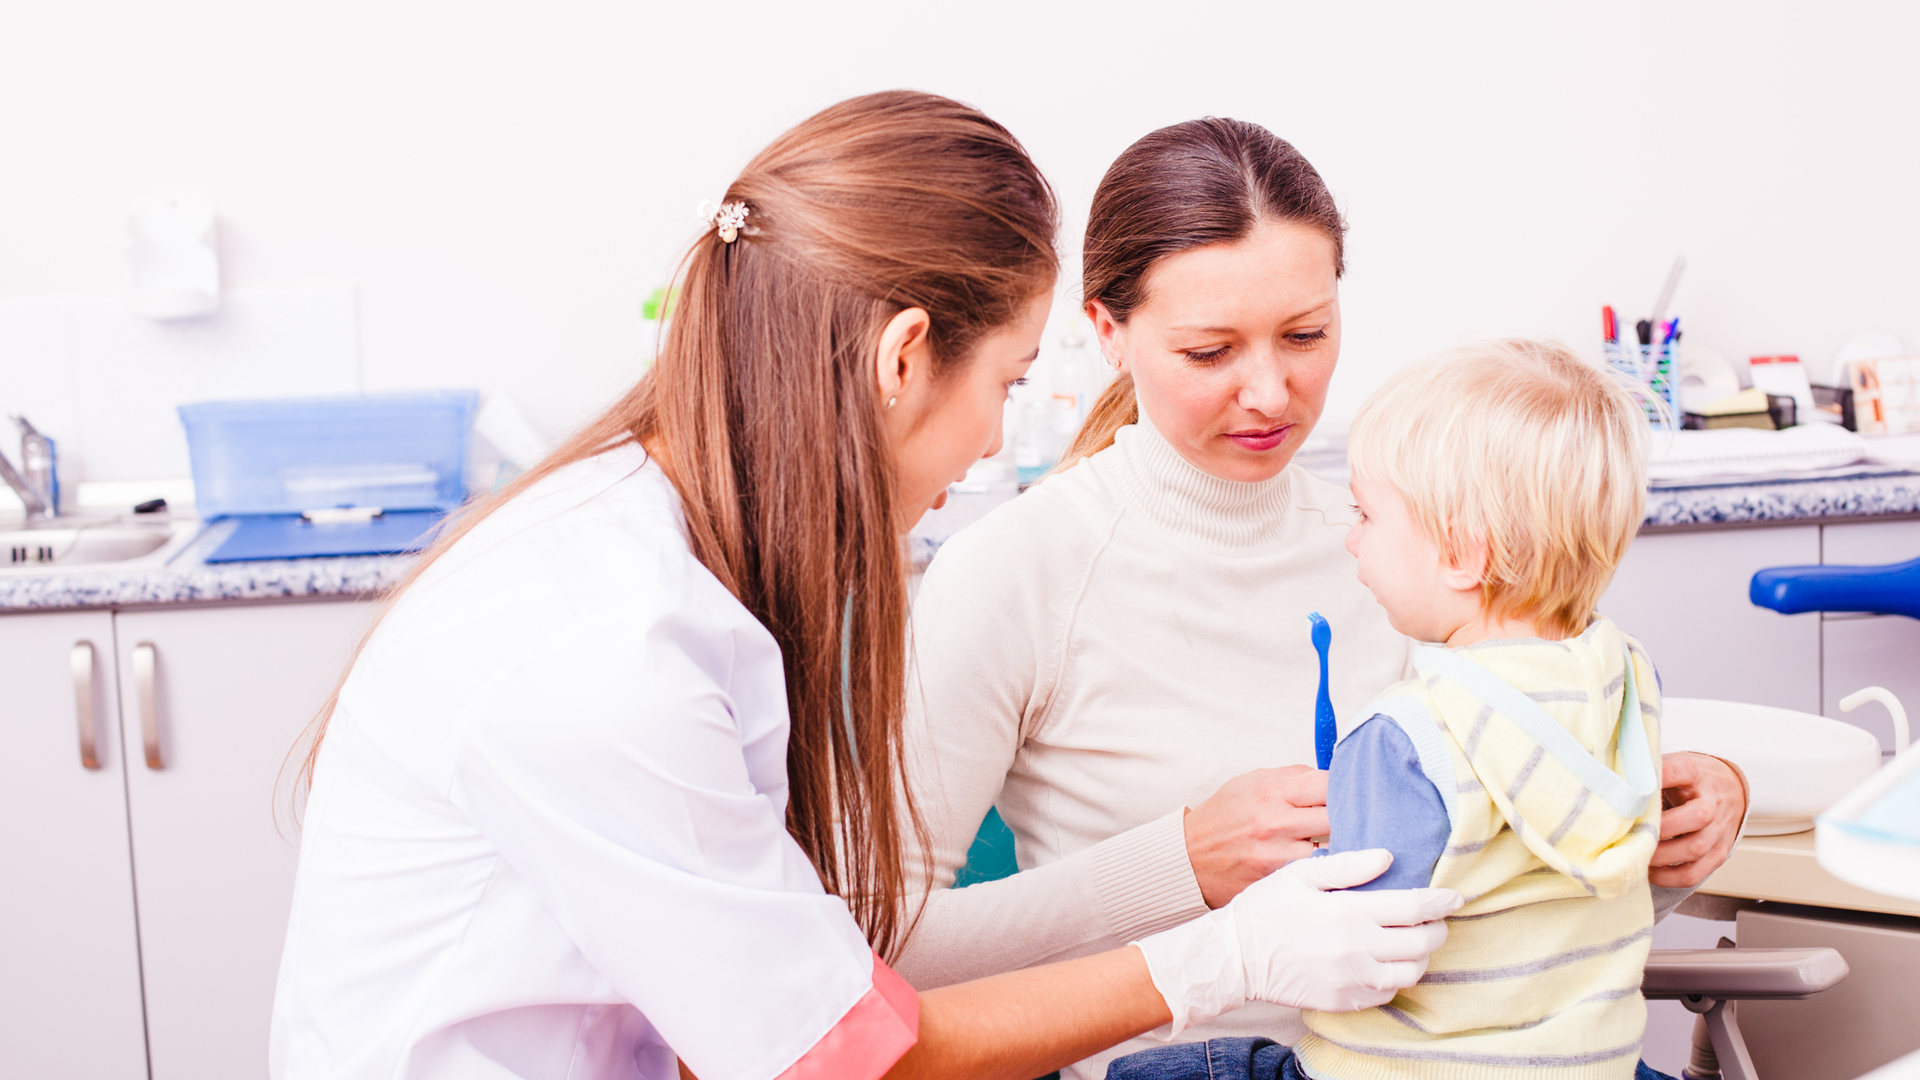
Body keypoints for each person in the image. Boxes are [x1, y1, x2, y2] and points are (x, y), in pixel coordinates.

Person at [267, 92, 1462, 1080]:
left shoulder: (659, 551)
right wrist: (1221, 959)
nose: (998, 439)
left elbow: (781, 980)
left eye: (1305, 335)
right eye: (1003, 383)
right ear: (902, 360)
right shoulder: (606, 650)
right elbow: (842, 1044)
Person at [894, 118, 1748, 1080]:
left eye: (1306, 335)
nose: (1271, 392)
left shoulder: (1407, 550)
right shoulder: (1014, 572)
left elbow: (1511, 911)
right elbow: (886, 951)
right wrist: (1177, 863)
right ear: (1108, 333)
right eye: (1211, 352)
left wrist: (1658, 832)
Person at [1108, 340, 1675, 1080]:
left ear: (1462, 557)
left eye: (1366, 514)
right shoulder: (1627, 678)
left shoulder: (1407, 736)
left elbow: (1355, 949)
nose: (1349, 538)